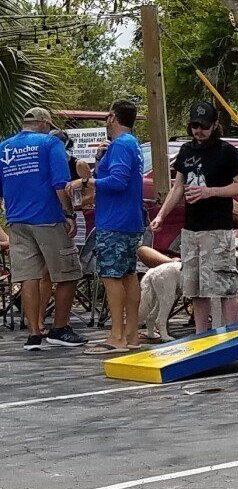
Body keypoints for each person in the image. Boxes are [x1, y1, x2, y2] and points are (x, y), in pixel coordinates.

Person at [153, 101, 238, 335]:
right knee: (195, 288)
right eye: (195, 126)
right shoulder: (186, 151)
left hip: (217, 229)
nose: (199, 131)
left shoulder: (226, 151)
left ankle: (232, 336)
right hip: (191, 229)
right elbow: (178, 187)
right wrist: (161, 215)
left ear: (215, 125)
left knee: (223, 286)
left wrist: (210, 191)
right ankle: (200, 336)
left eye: (204, 126)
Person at [1, 107, 87, 349]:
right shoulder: (50, 143)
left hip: (16, 221)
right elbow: (60, 183)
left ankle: (34, 333)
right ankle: (59, 328)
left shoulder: (4, 147)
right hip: (48, 218)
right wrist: (69, 214)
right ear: (45, 123)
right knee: (68, 273)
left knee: (29, 277)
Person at [87, 99, 146, 355]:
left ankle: (117, 334)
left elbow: (118, 181)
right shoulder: (130, 144)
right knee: (127, 275)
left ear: (112, 117)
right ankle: (132, 333)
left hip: (114, 220)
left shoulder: (122, 144)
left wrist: (87, 182)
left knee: (111, 276)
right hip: (129, 219)